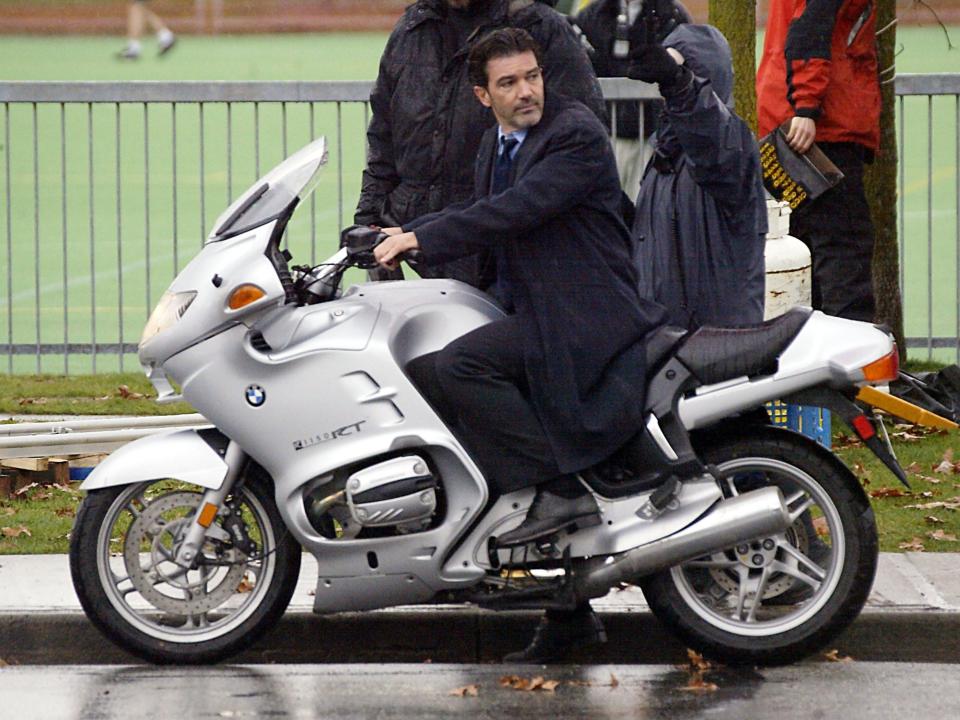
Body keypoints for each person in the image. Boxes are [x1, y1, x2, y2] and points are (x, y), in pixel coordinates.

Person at [374, 27, 668, 663]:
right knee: (434, 360)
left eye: (531, 76)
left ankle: (557, 488)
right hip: (540, 309)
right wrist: (394, 234)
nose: (527, 90)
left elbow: (515, 211)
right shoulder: (496, 144)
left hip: (586, 315)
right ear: (483, 95)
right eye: (508, 83)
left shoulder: (574, 133)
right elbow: (484, 217)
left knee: (456, 368)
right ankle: (569, 616)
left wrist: (416, 238)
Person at [357, 0, 605, 285]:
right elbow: (382, 134)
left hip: (500, 237)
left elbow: (573, 135)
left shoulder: (540, 26)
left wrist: (420, 235)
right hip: (411, 235)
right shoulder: (411, 29)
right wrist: (370, 218)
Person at [628, 22, 767, 329]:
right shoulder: (665, 154)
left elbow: (708, 135)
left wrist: (679, 83)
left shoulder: (732, 144)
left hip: (717, 342)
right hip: (669, 339)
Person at [756, 0, 880, 322]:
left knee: (805, 250)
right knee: (843, 251)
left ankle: (807, 356)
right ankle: (851, 360)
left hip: (794, 123)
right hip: (823, 129)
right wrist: (806, 106)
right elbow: (810, 29)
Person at [573, 0, 691, 199]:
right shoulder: (591, 16)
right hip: (605, 138)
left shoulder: (672, 15)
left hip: (654, 140)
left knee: (647, 206)